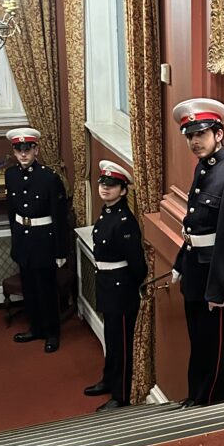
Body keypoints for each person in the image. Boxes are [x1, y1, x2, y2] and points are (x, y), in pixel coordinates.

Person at [171, 98, 224, 407]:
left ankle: (210, 404)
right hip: (195, 269)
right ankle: (195, 397)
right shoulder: (204, 169)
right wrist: (180, 262)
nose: (194, 141)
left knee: (213, 347)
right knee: (198, 342)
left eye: (201, 134)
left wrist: (218, 288)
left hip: (213, 279)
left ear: (218, 134)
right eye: (190, 135)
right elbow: (194, 224)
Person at [83, 160, 147, 413]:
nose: (105, 188)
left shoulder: (124, 221)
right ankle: (109, 379)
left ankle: (121, 394)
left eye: (112, 185)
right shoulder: (107, 213)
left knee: (121, 343)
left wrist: (129, 286)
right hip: (107, 284)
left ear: (123, 190)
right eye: (103, 183)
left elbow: (138, 265)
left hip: (121, 289)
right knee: (111, 337)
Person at [4, 127, 68, 354]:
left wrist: (60, 251)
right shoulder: (11, 175)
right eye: (19, 150)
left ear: (36, 150)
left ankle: (52, 332)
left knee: (46, 289)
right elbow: (11, 212)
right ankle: (36, 327)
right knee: (29, 287)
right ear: (14, 152)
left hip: (44, 240)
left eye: (27, 149)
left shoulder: (49, 178)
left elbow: (59, 217)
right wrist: (16, 238)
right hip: (23, 239)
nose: (23, 154)